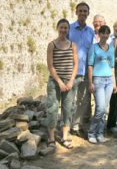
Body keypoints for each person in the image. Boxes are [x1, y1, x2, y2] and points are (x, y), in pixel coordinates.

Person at [46, 19, 78, 150]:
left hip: (69, 82)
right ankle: (51, 138)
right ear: (57, 28)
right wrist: (59, 82)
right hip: (55, 82)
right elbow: (50, 65)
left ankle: (65, 136)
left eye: (66, 28)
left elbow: (76, 64)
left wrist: (71, 80)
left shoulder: (72, 45)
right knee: (52, 109)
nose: (63, 30)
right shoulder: (52, 45)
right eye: (61, 27)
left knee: (67, 109)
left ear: (68, 29)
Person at [68, 2, 95, 137]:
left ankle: (76, 126)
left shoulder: (91, 32)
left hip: (85, 73)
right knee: (70, 100)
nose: (83, 13)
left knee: (83, 101)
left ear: (88, 13)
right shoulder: (69, 29)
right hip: (72, 72)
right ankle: (66, 125)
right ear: (76, 12)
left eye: (85, 11)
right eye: (80, 11)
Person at [87, 25, 117, 143]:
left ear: (109, 35)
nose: (105, 35)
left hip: (109, 80)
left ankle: (100, 133)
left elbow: (112, 66)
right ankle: (91, 132)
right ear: (98, 34)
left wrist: (114, 83)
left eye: (107, 33)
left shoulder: (111, 48)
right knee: (100, 108)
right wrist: (90, 82)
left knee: (105, 108)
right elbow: (90, 66)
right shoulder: (93, 48)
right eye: (102, 33)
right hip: (98, 80)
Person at [106, 19, 117, 132]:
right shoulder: (107, 39)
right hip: (108, 70)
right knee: (111, 98)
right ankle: (109, 124)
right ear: (113, 27)